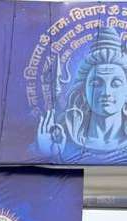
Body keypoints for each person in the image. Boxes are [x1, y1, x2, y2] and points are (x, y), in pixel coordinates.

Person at [37, 29, 127, 162]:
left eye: (116, 83)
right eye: (96, 83)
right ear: (84, 90)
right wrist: (50, 154)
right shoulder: (64, 141)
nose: (106, 92)